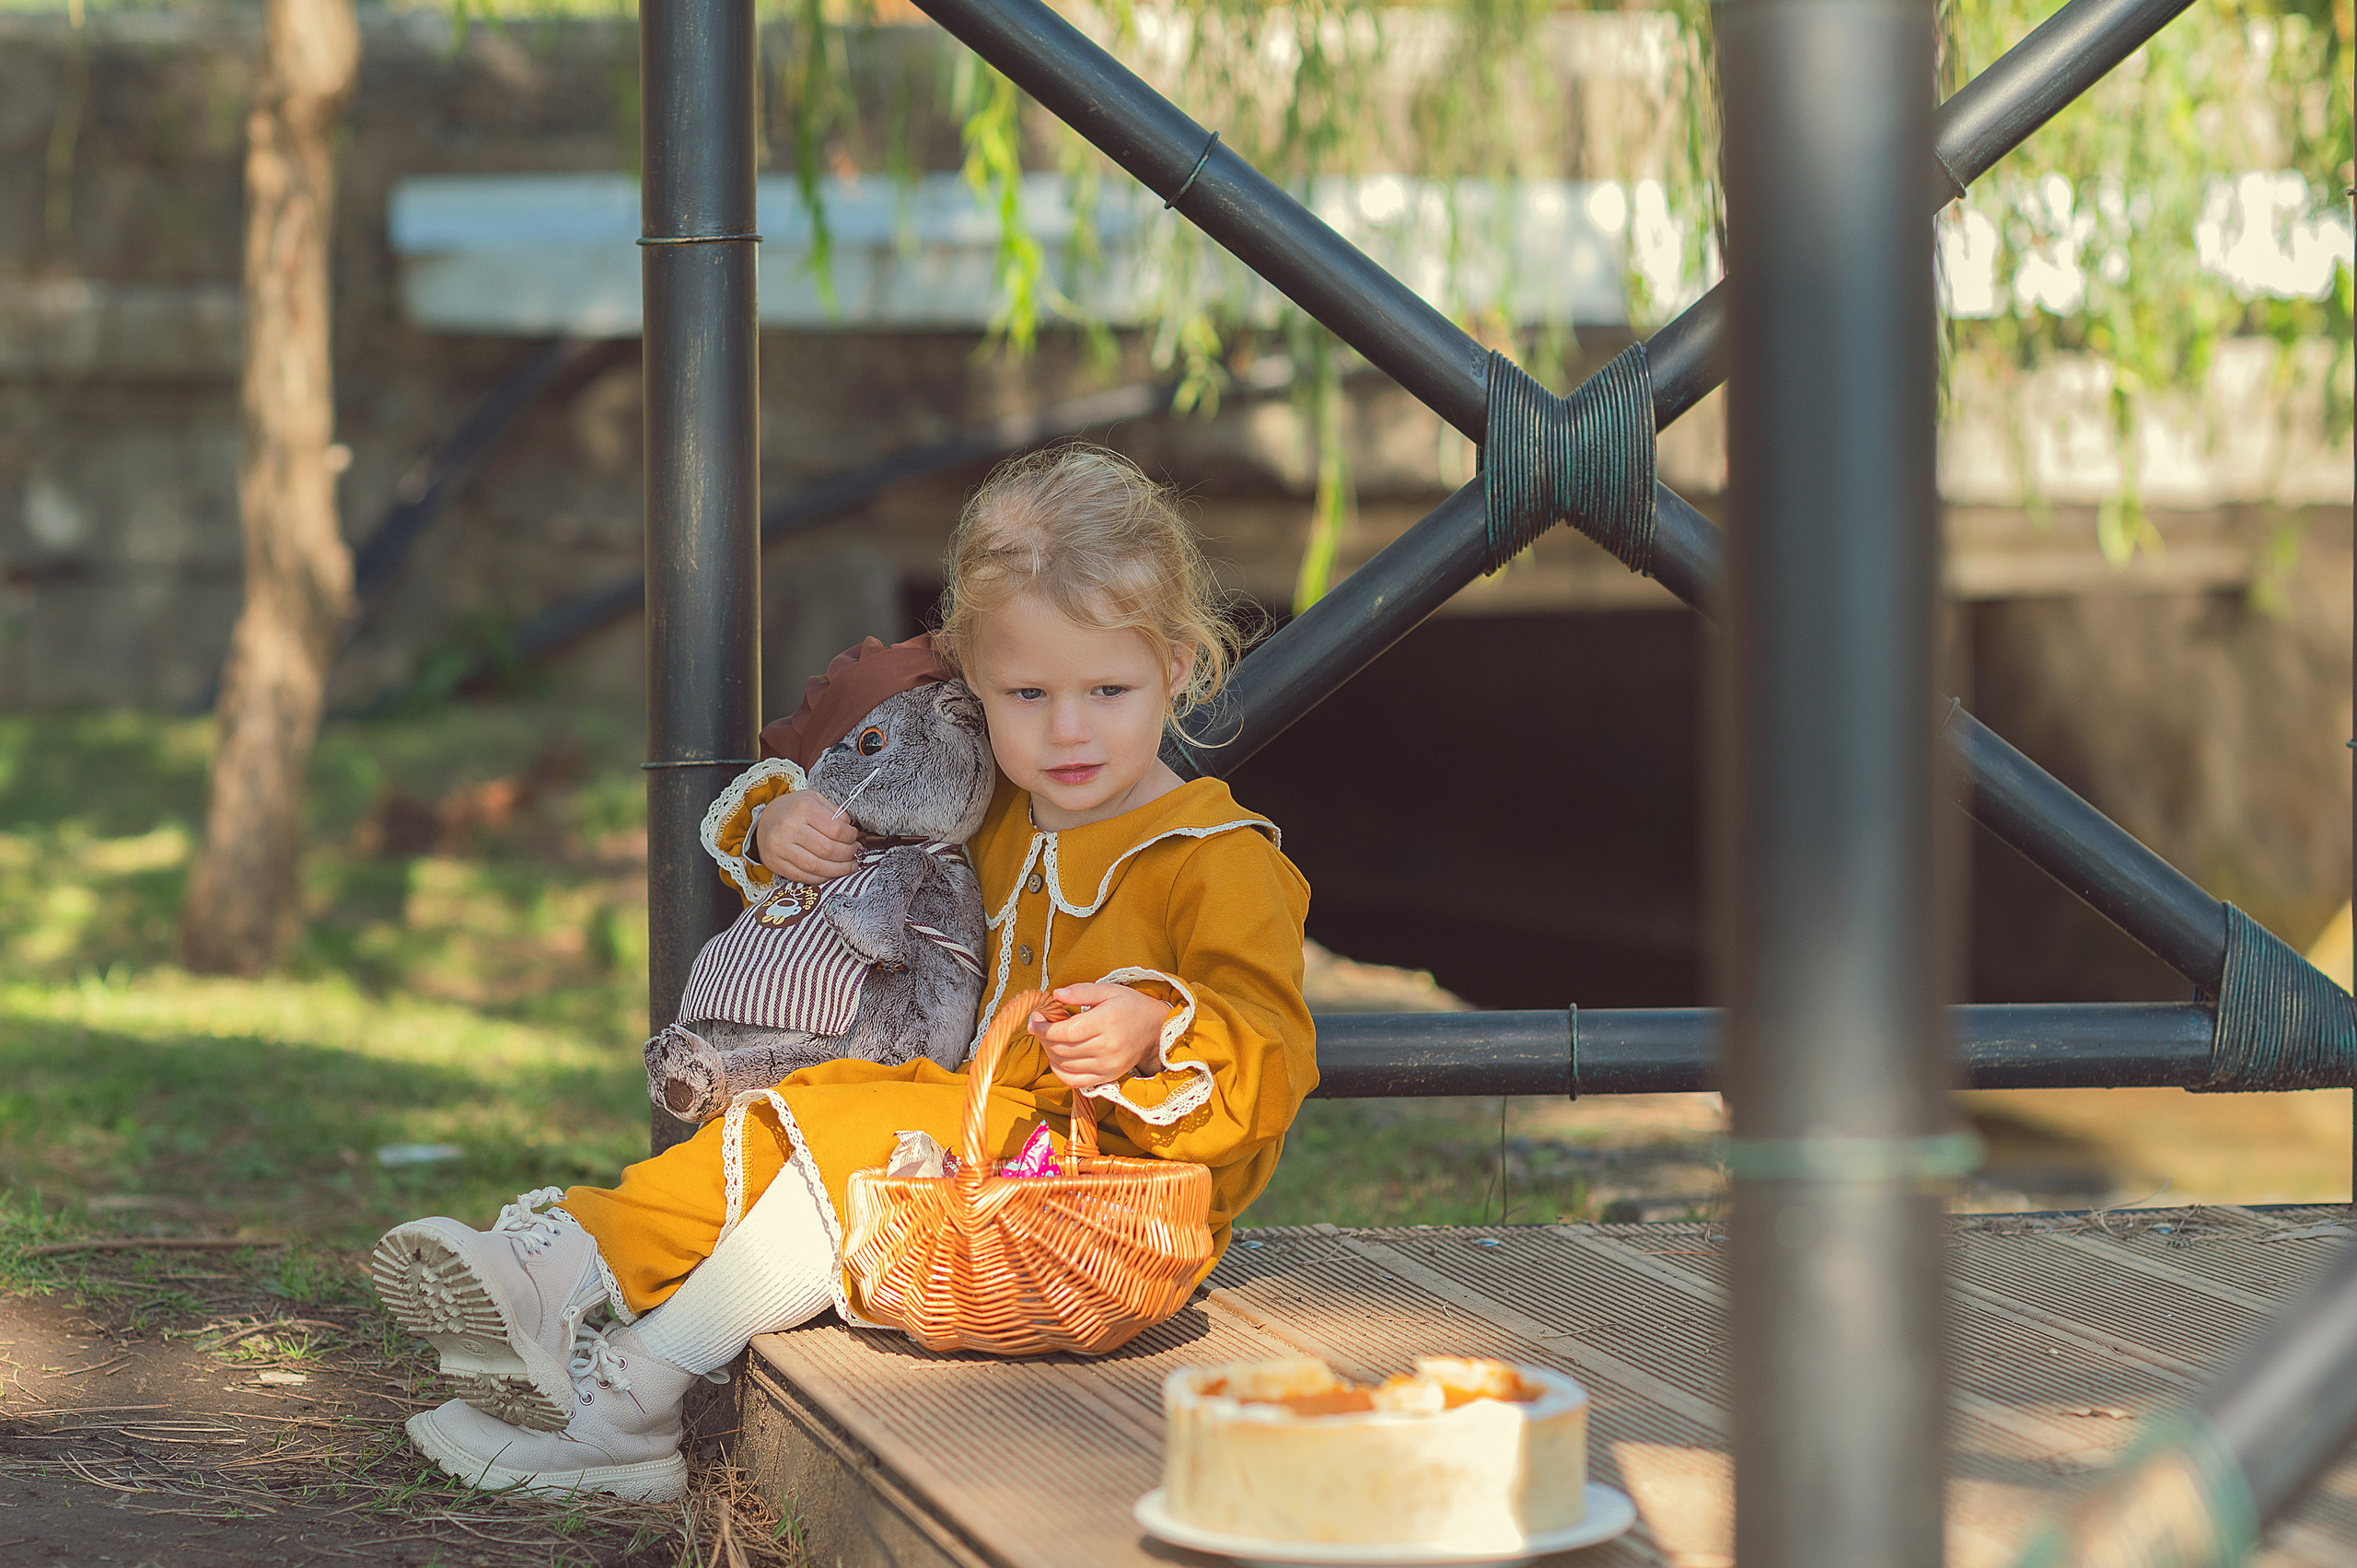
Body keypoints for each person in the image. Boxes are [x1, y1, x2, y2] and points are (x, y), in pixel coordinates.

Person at [372, 446, 1317, 1500]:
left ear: (1179, 667)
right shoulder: (980, 804)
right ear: (972, 676)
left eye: (1109, 687)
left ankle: (621, 1374)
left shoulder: (1218, 855)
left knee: (857, 1120)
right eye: (1025, 690)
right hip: (951, 1150)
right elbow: (849, 783)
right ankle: (569, 1284)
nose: (1067, 728)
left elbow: (1274, 1050)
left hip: (1105, 1206)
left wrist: (1155, 1024)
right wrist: (780, 822)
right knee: (800, 1115)